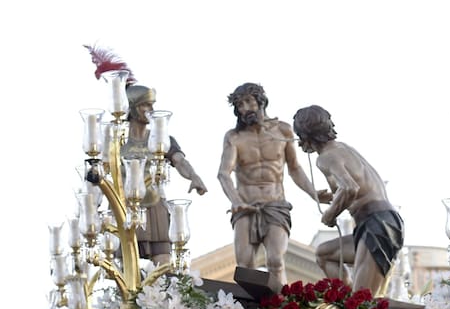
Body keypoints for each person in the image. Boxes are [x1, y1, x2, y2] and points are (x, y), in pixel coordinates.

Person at [218, 83, 329, 292]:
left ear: (261, 101)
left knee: (276, 260)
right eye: (240, 105)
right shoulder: (234, 137)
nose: (245, 108)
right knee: (245, 264)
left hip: (275, 204)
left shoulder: (283, 131)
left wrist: (314, 192)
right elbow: (223, 173)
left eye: (249, 101)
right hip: (246, 206)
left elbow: (295, 168)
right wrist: (236, 201)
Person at [292, 105, 404, 295]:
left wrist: (330, 214)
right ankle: (344, 305)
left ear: (306, 137)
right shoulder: (343, 148)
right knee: (324, 254)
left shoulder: (325, 157)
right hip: (378, 221)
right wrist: (331, 198)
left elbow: (350, 188)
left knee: (363, 301)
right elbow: (352, 188)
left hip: (377, 225)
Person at [121, 83, 207, 263]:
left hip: (155, 204)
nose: (151, 110)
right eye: (146, 105)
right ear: (133, 108)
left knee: (164, 266)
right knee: (127, 267)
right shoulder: (117, 142)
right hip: (125, 208)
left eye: (152, 105)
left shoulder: (161, 139)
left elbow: (179, 160)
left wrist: (193, 176)